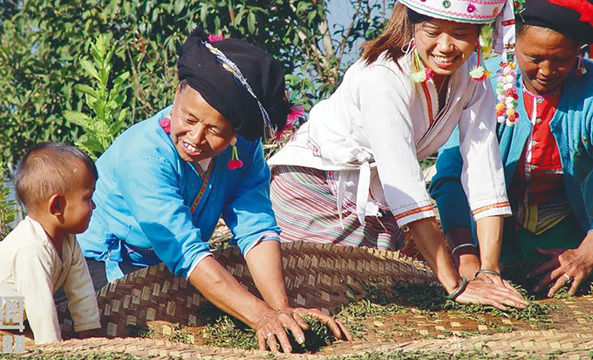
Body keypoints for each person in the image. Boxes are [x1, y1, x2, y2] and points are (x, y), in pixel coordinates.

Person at [77, 30, 351, 354]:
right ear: (177, 94)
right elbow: (186, 251)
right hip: (97, 267)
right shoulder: (143, 156)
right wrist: (261, 316)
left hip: (168, 273)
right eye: (188, 118)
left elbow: (257, 228)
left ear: (235, 133)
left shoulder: (245, 149)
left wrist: (280, 309)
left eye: (216, 131)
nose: (195, 137)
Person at [267, 0, 529, 309]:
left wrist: (489, 270)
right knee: (324, 298)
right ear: (412, 26)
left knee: (378, 296)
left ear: (478, 35)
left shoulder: (472, 77)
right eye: (433, 32)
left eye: (460, 33)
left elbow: (485, 165)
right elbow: (403, 178)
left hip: (377, 197)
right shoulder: (383, 77)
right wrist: (457, 288)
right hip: (314, 187)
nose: (445, 46)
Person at [431, 0, 593, 298]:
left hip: (573, 230)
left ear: (579, 54)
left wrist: (587, 253)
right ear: (512, 45)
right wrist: (466, 254)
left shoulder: (590, 90)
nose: (546, 70)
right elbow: (450, 177)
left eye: (561, 59)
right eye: (533, 57)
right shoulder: (481, 83)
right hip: (489, 231)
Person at [0, 143, 101, 344]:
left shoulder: (68, 239)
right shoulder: (31, 247)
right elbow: (41, 308)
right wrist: (53, 352)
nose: (94, 205)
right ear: (57, 206)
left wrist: (94, 340)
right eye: (88, 197)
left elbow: (81, 290)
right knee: (13, 343)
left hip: (3, 317)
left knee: (21, 339)